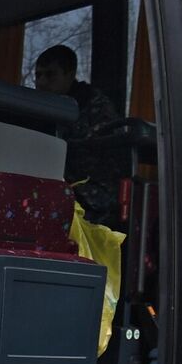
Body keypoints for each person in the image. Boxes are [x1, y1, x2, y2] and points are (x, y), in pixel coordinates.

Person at [31, 44, 125, 227]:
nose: (41, 82)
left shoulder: (94, 107)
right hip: (64, 191)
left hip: (94, 199)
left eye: (50, 75)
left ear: (70, 74)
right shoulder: (45, 108)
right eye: (38, 75)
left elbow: (77, 152)